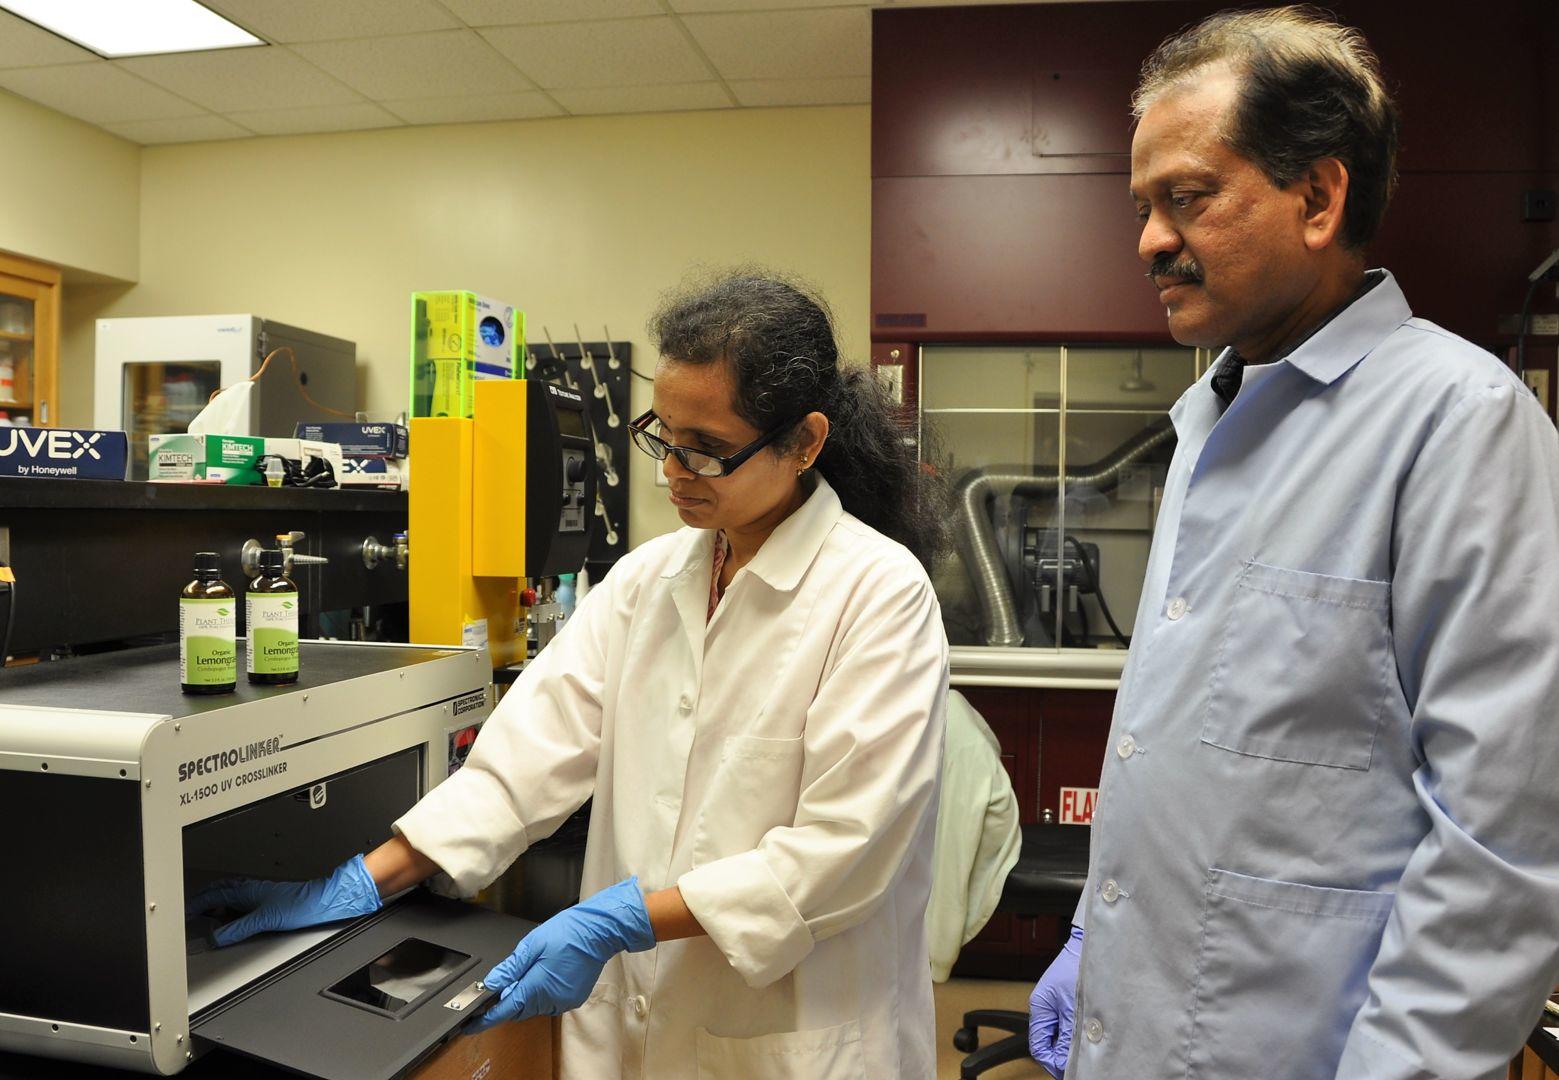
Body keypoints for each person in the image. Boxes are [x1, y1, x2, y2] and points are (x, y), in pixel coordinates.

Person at [191, 272, 951, 1078]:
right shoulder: (647, 581)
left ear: (803, 442)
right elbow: (522, 763)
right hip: (629, 1030)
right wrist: (361, 881)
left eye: (710, 450)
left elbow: (843, 851)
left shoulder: (878, 595)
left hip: (792, 1035)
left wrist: (619, 919)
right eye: (664, 435)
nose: (673, 471)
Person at [1028, 8, 1559, 1079]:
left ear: (1317, 197)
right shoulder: (1205, 425)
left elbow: (1498, 836)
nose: (1147, 240)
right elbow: (1176, 762)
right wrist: (1092, 935)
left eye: (1186, 197)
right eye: (1140, 206)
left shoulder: (1455, 420)